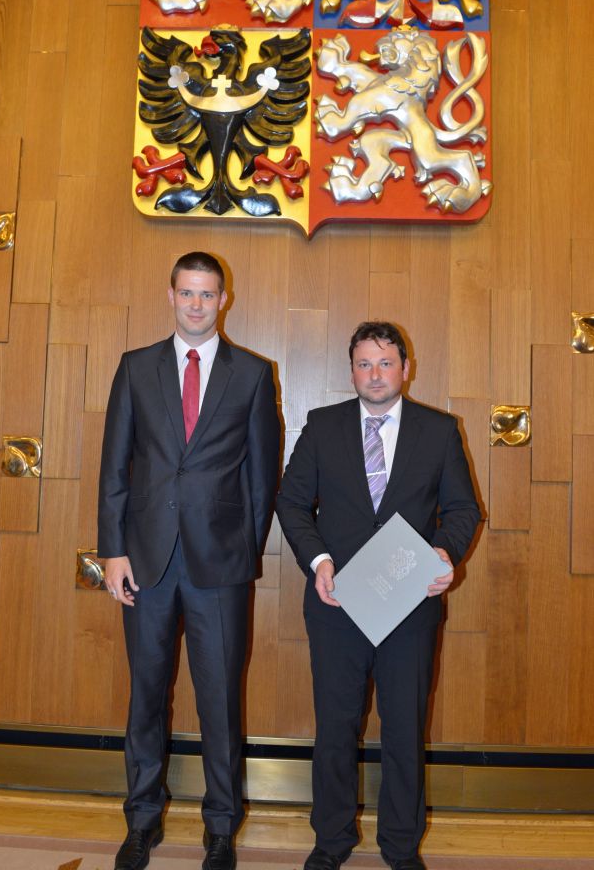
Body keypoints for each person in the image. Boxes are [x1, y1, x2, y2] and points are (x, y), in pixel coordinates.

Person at [98, 252, 281, 870]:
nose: (197, 305)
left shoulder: (252, 374)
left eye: (208, 294)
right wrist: (113, 550)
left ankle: (221, 827)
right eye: (187, 293)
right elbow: (115, 467)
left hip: (220, 567)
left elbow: (262, 476)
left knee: (220, 701)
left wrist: (243, 552)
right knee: (146, 695)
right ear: (171, 295)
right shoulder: (135, 367)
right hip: (145, 562)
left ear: (224, 299)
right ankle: (141, 821)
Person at [275, 321, 480, 870]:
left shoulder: (439, 431)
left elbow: (463, 509)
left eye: (385, 363)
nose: (375, 374)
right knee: (335, 729)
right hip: (337, 604)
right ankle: (331, 841)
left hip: (409, 605)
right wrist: (318, 561)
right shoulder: (323, 426)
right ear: (352, 371)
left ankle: (401, 847)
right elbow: (291, 503)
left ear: (405, 369)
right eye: (364, 364)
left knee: (405, 731)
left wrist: (445, 554)